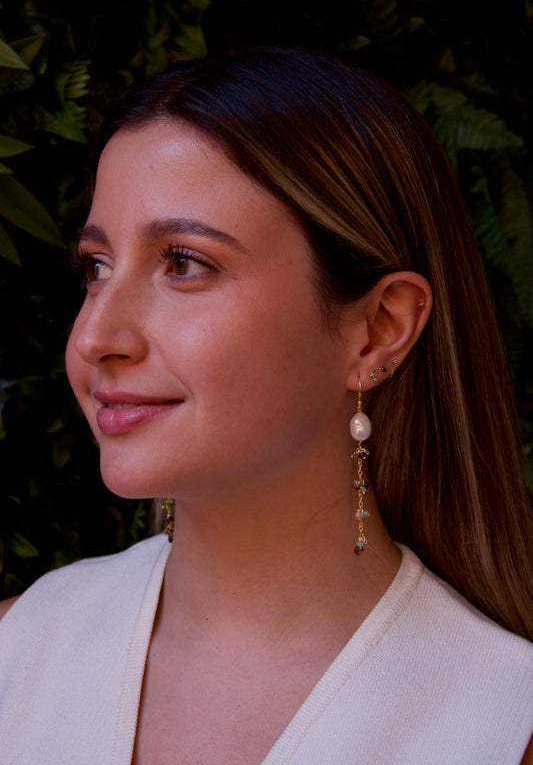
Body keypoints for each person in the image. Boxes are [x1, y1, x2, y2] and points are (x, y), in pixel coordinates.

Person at [0, 47, 532, 765]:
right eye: (95, 268)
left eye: (184, 262)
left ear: (380, 329)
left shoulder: (500, 726)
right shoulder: (18, 655)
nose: (95, 337)